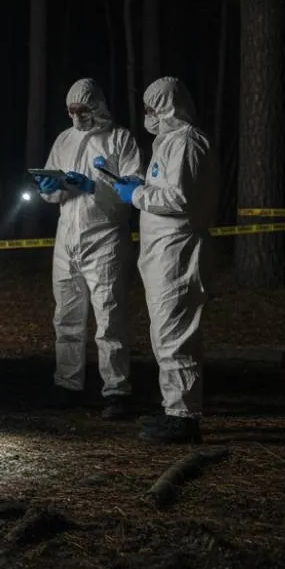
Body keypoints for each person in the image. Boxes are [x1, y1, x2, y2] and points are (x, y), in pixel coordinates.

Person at [113, 77, 218, 443]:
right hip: (163, 252)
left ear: (168, 106)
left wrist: (136, 194)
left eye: (152, 108)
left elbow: (179, 199)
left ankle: (184, 417)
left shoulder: (187, 142)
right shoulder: (169, 143)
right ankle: (174, 408)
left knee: (175, 335)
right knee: (165, 334)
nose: (148, 115)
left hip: (178, 252)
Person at [34, 78, 143, 419]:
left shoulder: (120, 140)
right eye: (70, 111)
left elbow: (134, 191)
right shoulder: (64, 140)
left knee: (109, 316)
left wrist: (95, 187)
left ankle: (116, 390)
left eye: (82, 109)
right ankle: (68, 385)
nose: (76, 116)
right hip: (67, 235)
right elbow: (51, 196)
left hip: (105, 236)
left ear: (97, 106)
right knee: (66, 315)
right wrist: (49, 187)